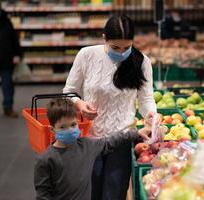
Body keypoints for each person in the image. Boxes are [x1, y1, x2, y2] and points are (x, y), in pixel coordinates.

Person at [63, 15, 157, 200]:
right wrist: (79, 103)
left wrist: (152, 114)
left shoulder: (142, 62)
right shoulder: (86, 55)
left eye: (126, 47)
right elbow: (69, 91)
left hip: (122, 138)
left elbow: (146, 99)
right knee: (91, 193)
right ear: (104, 37)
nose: (121, 52)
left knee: (114, 194)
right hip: (90, 139)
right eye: (115, 47)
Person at [34, 98, 152, 200]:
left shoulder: (87, 146)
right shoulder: (46, 160)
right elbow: (43, 194)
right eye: (63, 127)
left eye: (73, 125)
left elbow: (110, 142)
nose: (69, 130)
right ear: (52, 130)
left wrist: (136, 133)